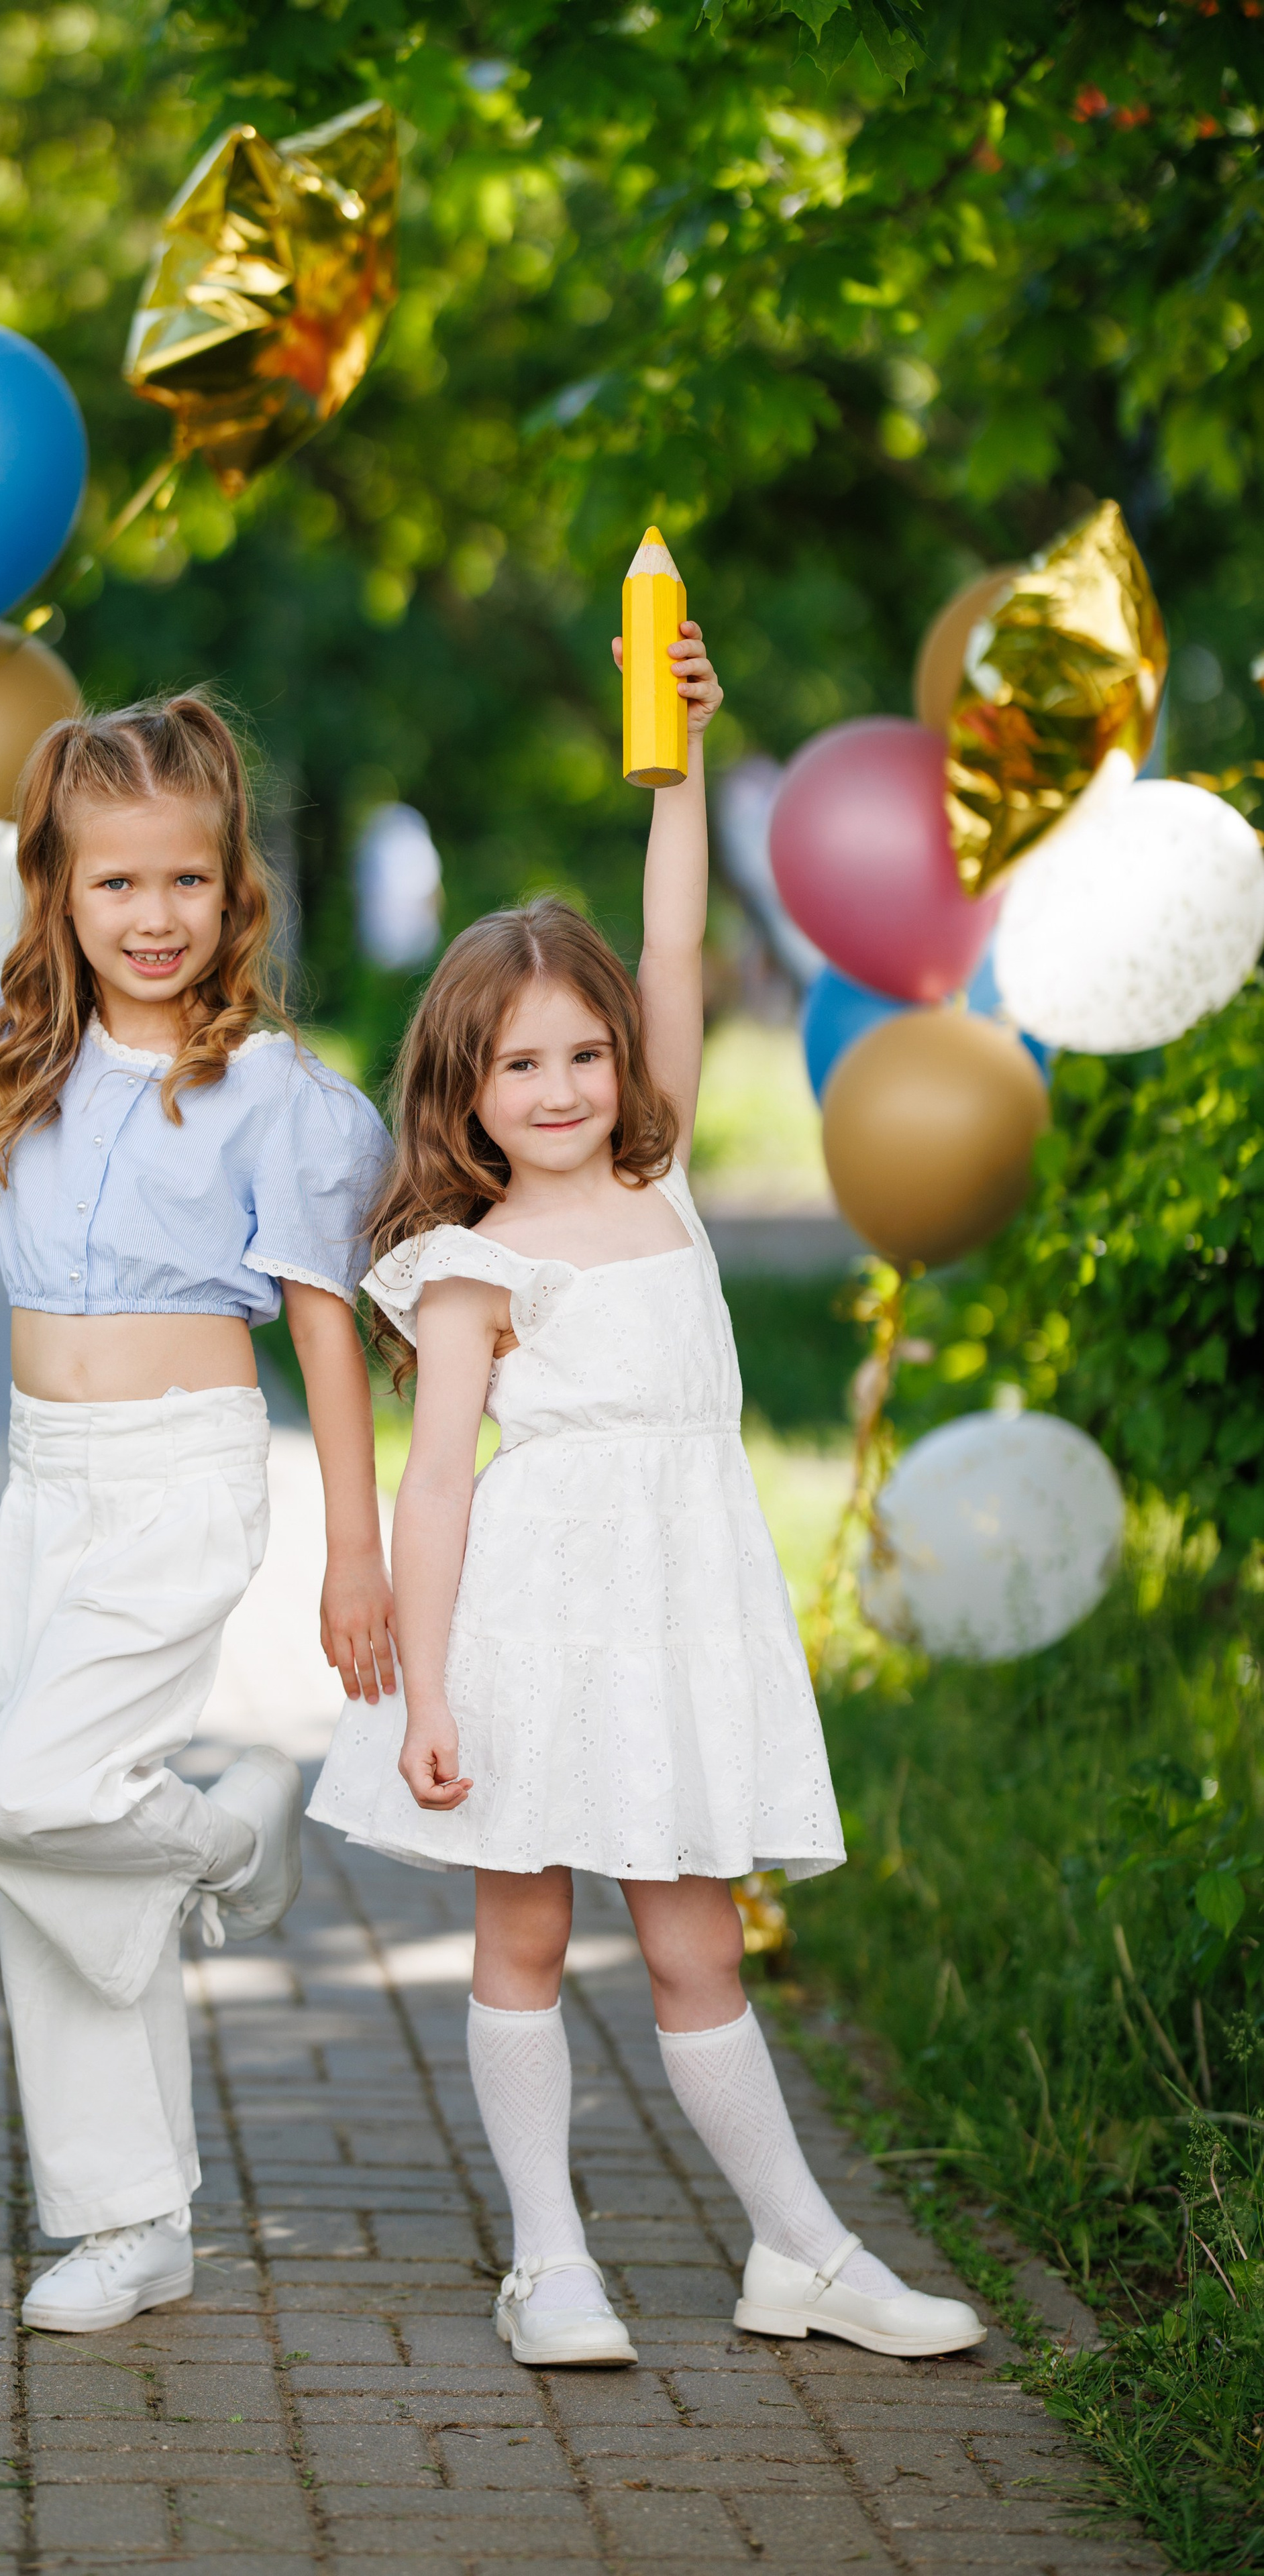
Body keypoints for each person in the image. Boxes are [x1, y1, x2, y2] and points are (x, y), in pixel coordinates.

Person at [309, 614, 984, 2369]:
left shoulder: (658, 1179)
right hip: (533, 1629)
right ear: (463, 1091)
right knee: (523, 1927)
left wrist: (675, 762)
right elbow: (436, 1491)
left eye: (582, 1056)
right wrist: (429, 1691)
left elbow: (671, 936)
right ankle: (549, 2264)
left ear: (623, 1065)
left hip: (677, 1619)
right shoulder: (473, 1263)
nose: (558, 1089)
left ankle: (800, 2255)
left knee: (698, 1946)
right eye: (516, 1065)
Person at [0, 608, 394, 2333]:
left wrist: (351, 1553)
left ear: (233, 888)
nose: (152, 915)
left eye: (185, 880)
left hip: (179, 1482)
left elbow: (324, 1334)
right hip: (38, 1487)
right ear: (57, 892)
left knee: (19, 1792)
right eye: (115, 882)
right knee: (44, 1860)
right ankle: (129, 2221)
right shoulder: (15, 1046)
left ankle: (222, 1839)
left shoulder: (273, 1095)